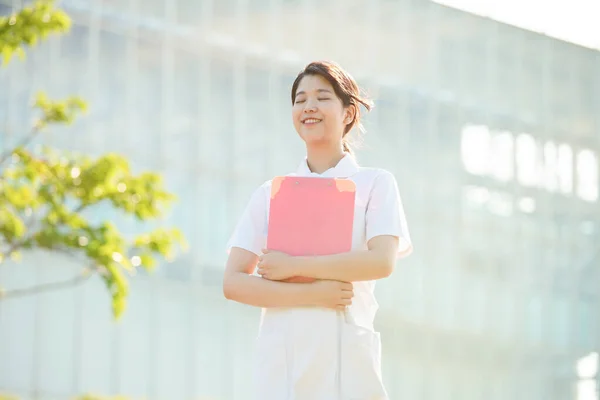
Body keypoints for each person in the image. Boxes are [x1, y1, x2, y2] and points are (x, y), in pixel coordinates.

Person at [223, 60, 413, 400]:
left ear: (348, 113)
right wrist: (312, 294)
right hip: (283, 362)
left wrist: (295, 267)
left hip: (346, 360)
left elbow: (381, 261)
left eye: (323, 97)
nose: (309, 106)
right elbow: (233, 282)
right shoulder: (271, 192)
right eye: (300, 99)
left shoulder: (374, 183)